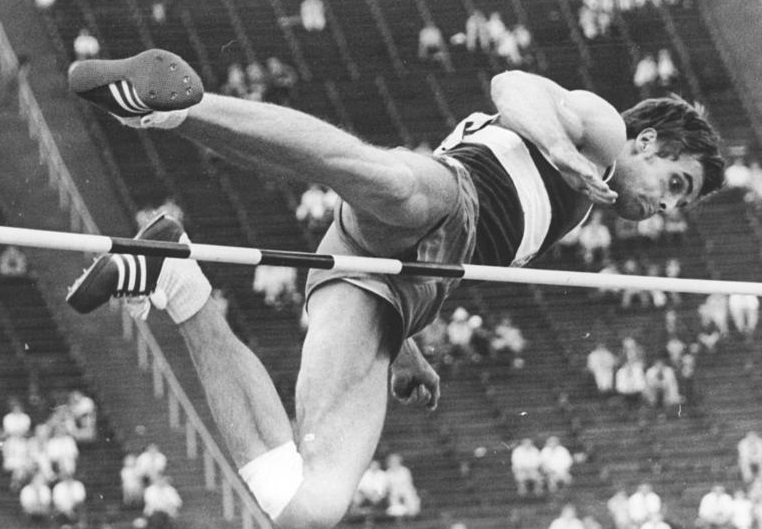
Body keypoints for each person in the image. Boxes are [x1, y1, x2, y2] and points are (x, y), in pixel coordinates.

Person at [65, 48, 724, 529]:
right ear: (647, 141)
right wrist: (562, 149)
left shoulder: (582, 201)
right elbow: (512, 85)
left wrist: (406, 346)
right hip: (454, 196)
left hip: (403, 291)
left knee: (307, 508)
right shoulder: (604, 132)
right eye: (676, 183)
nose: (668, 206)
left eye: (680, 201)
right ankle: (173, 106)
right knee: (398, 186)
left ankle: (175, 275)